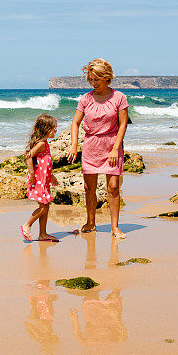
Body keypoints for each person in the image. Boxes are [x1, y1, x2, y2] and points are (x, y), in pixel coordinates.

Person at [68, 58, 129, 238]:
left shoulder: (119, 97)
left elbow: (123, 125)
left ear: (106, 78)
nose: (93, 83)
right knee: (89, 187)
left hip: (111, 145)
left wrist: (115, 148)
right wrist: (74, 145)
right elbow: (75, 122)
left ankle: (115, 227)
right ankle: (90, 223)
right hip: (90, 146)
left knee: (113, 187)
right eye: (91, 79)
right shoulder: (86, 99)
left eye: (97, 79)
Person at [21, 113, 59, 242]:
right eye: (54, 128)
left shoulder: (45, 144)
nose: (56, 130)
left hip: (44, 180)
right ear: (46, 129)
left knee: (46, 206)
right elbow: (28, 156)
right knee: (43, 207)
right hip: (38, 181)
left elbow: (45, 164)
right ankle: (27, 225)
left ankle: (43, 234)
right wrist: (31, 173)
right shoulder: (41, 144)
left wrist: (52, 177)